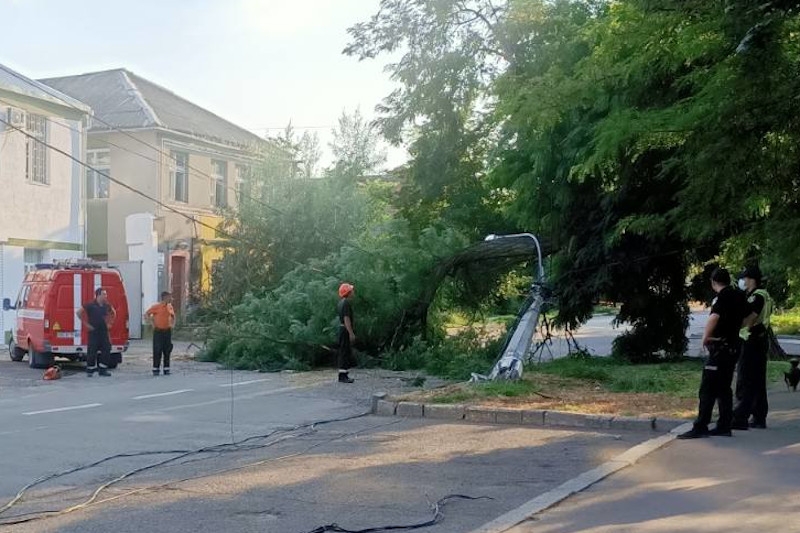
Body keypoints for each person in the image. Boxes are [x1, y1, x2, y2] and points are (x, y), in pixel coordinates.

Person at [678, 267, 746, 439]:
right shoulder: (739, 295)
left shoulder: (722, 297)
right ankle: (724, 425)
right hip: (733, 345)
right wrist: (734, 329)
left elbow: (714, 317)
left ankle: (701, 426)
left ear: (713, 282)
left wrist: (705, 337)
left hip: (720, 347)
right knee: (724, 387)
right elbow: (750, 315)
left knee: (707, 388)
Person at [732, 266, 772, 429]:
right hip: (760, 339)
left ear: (751, 279)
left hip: (751, 340)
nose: (743, 281)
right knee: (757, 380)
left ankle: (740, 417)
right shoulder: (765, 294)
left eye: (745, 278)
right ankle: (758, 416)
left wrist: (734, 325)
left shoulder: (756, 297)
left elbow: (751, 318)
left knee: (745, 379)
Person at [77, 288, 116, 377]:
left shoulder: (107, 305)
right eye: (104, 294)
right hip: (94, 331)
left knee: (107, 348)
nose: (106, 296)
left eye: (106, 294)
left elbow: (114, 313)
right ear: (98, 295)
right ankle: (90, 370)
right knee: (92, 351)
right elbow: (78, 313)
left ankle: (103, 369)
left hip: (104, 331)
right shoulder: (90, 305)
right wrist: (86, 324)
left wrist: (110, 323)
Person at [145, 291, 175, 376]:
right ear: (165, 297)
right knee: (157, 349)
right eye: (169, 297)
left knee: (167, 350)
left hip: (167, 331)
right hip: (158, 331)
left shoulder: (170, 307)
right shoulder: (157, 307)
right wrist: (152, 323)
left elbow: (173, 316)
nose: (171, 299)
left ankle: (166, 368)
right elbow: (147, 314)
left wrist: (173, 324)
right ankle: (156, 368)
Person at [337, 283, 356, 384]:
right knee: (344, 352)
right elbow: (346, 319)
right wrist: (351, 333)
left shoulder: (341, 303)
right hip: (345, 330)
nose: (353, 292)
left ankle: (344, 374)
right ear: (348, 293)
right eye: (351, 290)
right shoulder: (346, 304)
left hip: (342, 329)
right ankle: (343, 376)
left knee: (344, 351)